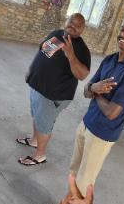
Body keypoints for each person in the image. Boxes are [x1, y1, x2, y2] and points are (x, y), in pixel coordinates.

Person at [45, 17, 124, 204]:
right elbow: (86, 89)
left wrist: (97, 91)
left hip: (102, 135)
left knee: (83, 183)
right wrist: (94, 88)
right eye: (122, 28)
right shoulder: (111, 59)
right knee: (74, 174)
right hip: (86, 124)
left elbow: (112, 112)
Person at [17, 13, 91, 166]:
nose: (73, 26)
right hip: (37, 85)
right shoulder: (56, 34)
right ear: (66, 21)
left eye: (78, 25)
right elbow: (42, 52)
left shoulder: (82, 49)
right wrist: (31, 70)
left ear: (82, 29)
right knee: (37, 115)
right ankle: (34, 140)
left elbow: (82, 74)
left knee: (44, 123)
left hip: (54, 94)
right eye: (71, 22)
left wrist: (71, 56)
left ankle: (39, 155)